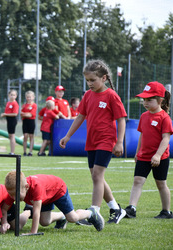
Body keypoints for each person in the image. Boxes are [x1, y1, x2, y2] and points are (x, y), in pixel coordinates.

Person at [59, 59, 127, 225]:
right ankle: (115, 208)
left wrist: (119, 142)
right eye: (87, 80)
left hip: (106, 140)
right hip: (92, 141)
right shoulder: (88, 96)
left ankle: (94, 213)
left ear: (104, 78)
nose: (89, 83)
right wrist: (68, 136)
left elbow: (121, 119)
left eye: (92, 80)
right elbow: (80, 116)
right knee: (97, 177)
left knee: (97, 176)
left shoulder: (111, 95)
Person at [124, 81, 173, 219]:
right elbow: (142, 135)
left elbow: (165, 139)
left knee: (161, 183)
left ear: (160, 100)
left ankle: (166, 211)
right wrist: (137, 152)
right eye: (144, 99)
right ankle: (131, 208)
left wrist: (157, 155)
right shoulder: (144, 116)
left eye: (149, 100)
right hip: (144, 156)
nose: (145, 102)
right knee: (137, 181)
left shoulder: (164, 117)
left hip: (160, 158)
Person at [3, 171, 104, 235]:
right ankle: (61, 217)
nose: (13, 198)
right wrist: (4, 222)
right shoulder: (15, 190)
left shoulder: (36, 187)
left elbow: (36, 211)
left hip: (57, 190)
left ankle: (91, 212)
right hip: (45, 196)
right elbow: (4, 208)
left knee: (73, 218)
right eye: (11, 194)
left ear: (26, 187)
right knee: (45, 222)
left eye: (16, 195)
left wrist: (33, 232)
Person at [1, 89, 19, 155]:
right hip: (8, 120)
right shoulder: (8, 103)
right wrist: (4, 115)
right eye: (11, 95)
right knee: (10, 136)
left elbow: (15, 114)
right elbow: (7, 112)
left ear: (16, 96)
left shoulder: (15, 103)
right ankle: (13, 145)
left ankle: (12, 152)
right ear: (9, 95)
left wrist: (5, 114)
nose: (12, 96)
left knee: (12, 136)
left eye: (14, 95)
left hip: (13, 120)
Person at [20, 91, 37, 156]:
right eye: (27, 97)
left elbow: (31, 115)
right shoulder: (24, 105)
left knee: (31, 136)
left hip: (31, 122)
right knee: (25, 136)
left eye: (30, 97)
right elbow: (21, 114)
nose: (29, 98)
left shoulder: (34, 105)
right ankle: (24, 152)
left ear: (33, 97)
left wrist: (25, 114)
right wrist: (26, 114)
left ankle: (30, 151)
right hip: (25, 122)